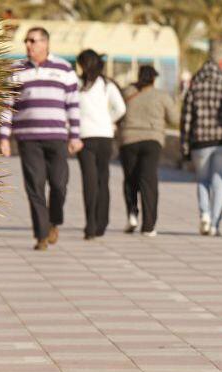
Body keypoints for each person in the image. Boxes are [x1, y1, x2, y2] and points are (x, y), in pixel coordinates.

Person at [0, 26, 82, 250]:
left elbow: (73, 104)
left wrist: (75, 135)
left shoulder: (64, 69)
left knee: (59, 184)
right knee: (34, 186)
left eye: (32, 41)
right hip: (28, 138)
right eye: (26, 41)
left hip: (57, 137)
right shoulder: (16, 70)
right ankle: (41, 235)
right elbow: (7, 105)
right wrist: (4, 137)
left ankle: (54, 221)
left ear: (45, 43)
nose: (28, 45)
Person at [180, 58, 222, 236]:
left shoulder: (195, 88)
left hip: (200, 142)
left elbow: (187, 119)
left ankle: (204, 214)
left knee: (203, 180)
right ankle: (215, 224)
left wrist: (185, 145)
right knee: (219, 182)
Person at [118, 66, 179, 237]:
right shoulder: (162, 96)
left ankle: (132, 214)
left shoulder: (127, 93)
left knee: (130, 178)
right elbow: (174, 119)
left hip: (128, 139)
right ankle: (149, 226)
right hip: (152, 140)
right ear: (154, 79)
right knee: (148, 181)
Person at [76, 49, 126, 240]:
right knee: (102, 180)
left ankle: (90, 224)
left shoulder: (77, 85)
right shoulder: (107, 85)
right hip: (105, 136)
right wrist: (108, 121)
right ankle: (101, 223)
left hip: (84, 137)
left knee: (89, 181)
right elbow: (121, 109)